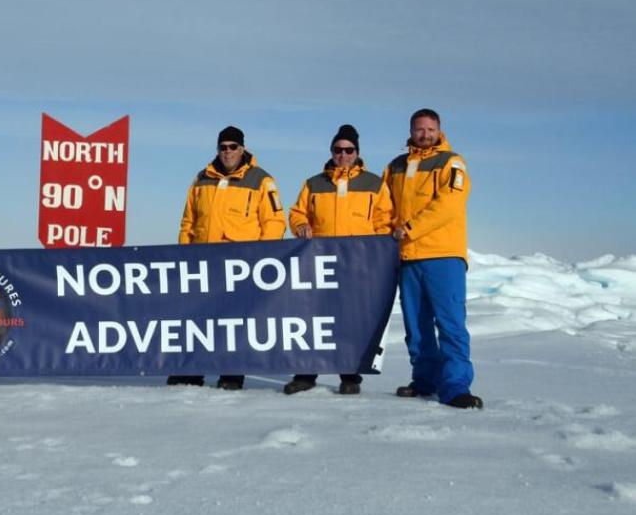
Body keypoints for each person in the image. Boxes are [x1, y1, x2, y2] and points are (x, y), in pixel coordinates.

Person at [283, 124, 393, 395]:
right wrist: (300, 227)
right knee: (313, 319)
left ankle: (350, 375)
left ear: (357, 152)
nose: (343, 155)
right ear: (331, 151)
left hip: (357, 264)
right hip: (319, 263)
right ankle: (306, 374)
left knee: (350, 320)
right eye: (338, 150)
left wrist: (376, 255)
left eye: (348, 150)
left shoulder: (374, 184)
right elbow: (297, 213)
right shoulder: (313, 183)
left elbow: (384, 221)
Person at [383, 109, 483, 409]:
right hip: (408, 258)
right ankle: (424, 380)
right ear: (410, 131)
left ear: (439, 130)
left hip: (442, 256)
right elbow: (384, 205)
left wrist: (410, 229)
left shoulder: (452, 162)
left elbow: (449, 205)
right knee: (416, 326)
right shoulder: (395, 166)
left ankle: (455, 387)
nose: (424, 135)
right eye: (419, 129)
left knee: (450, 323)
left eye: (430, 129)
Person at [174, 126, 286, 390]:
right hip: (202, 262)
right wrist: (183, 253)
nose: (227, 152)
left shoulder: (261, 180)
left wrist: (262, 258)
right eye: (223, 147)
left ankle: (231, 372)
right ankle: (192, 370)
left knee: (234, 321)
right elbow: (188, 221)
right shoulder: (201, 179)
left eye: (232, 147)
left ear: (242, 148)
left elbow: (274, 221)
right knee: (199, 319)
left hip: (241, 265)